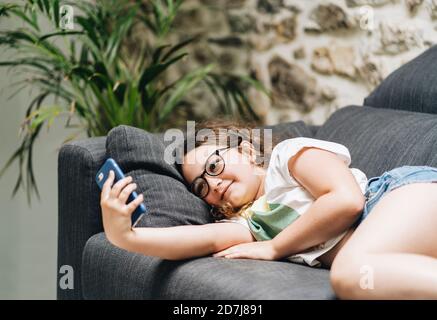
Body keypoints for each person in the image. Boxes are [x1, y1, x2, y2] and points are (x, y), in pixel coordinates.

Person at [100, 119, 437, 299]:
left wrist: (275, 248)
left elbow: (346, 200)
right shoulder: (251, 223)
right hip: (401, 245)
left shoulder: (287, 157)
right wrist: (126, 237)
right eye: (201, 187)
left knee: (350, 277)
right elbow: (201, 238)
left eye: (214, 166)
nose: (212, 185)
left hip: (402, 196)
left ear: (246, 151)